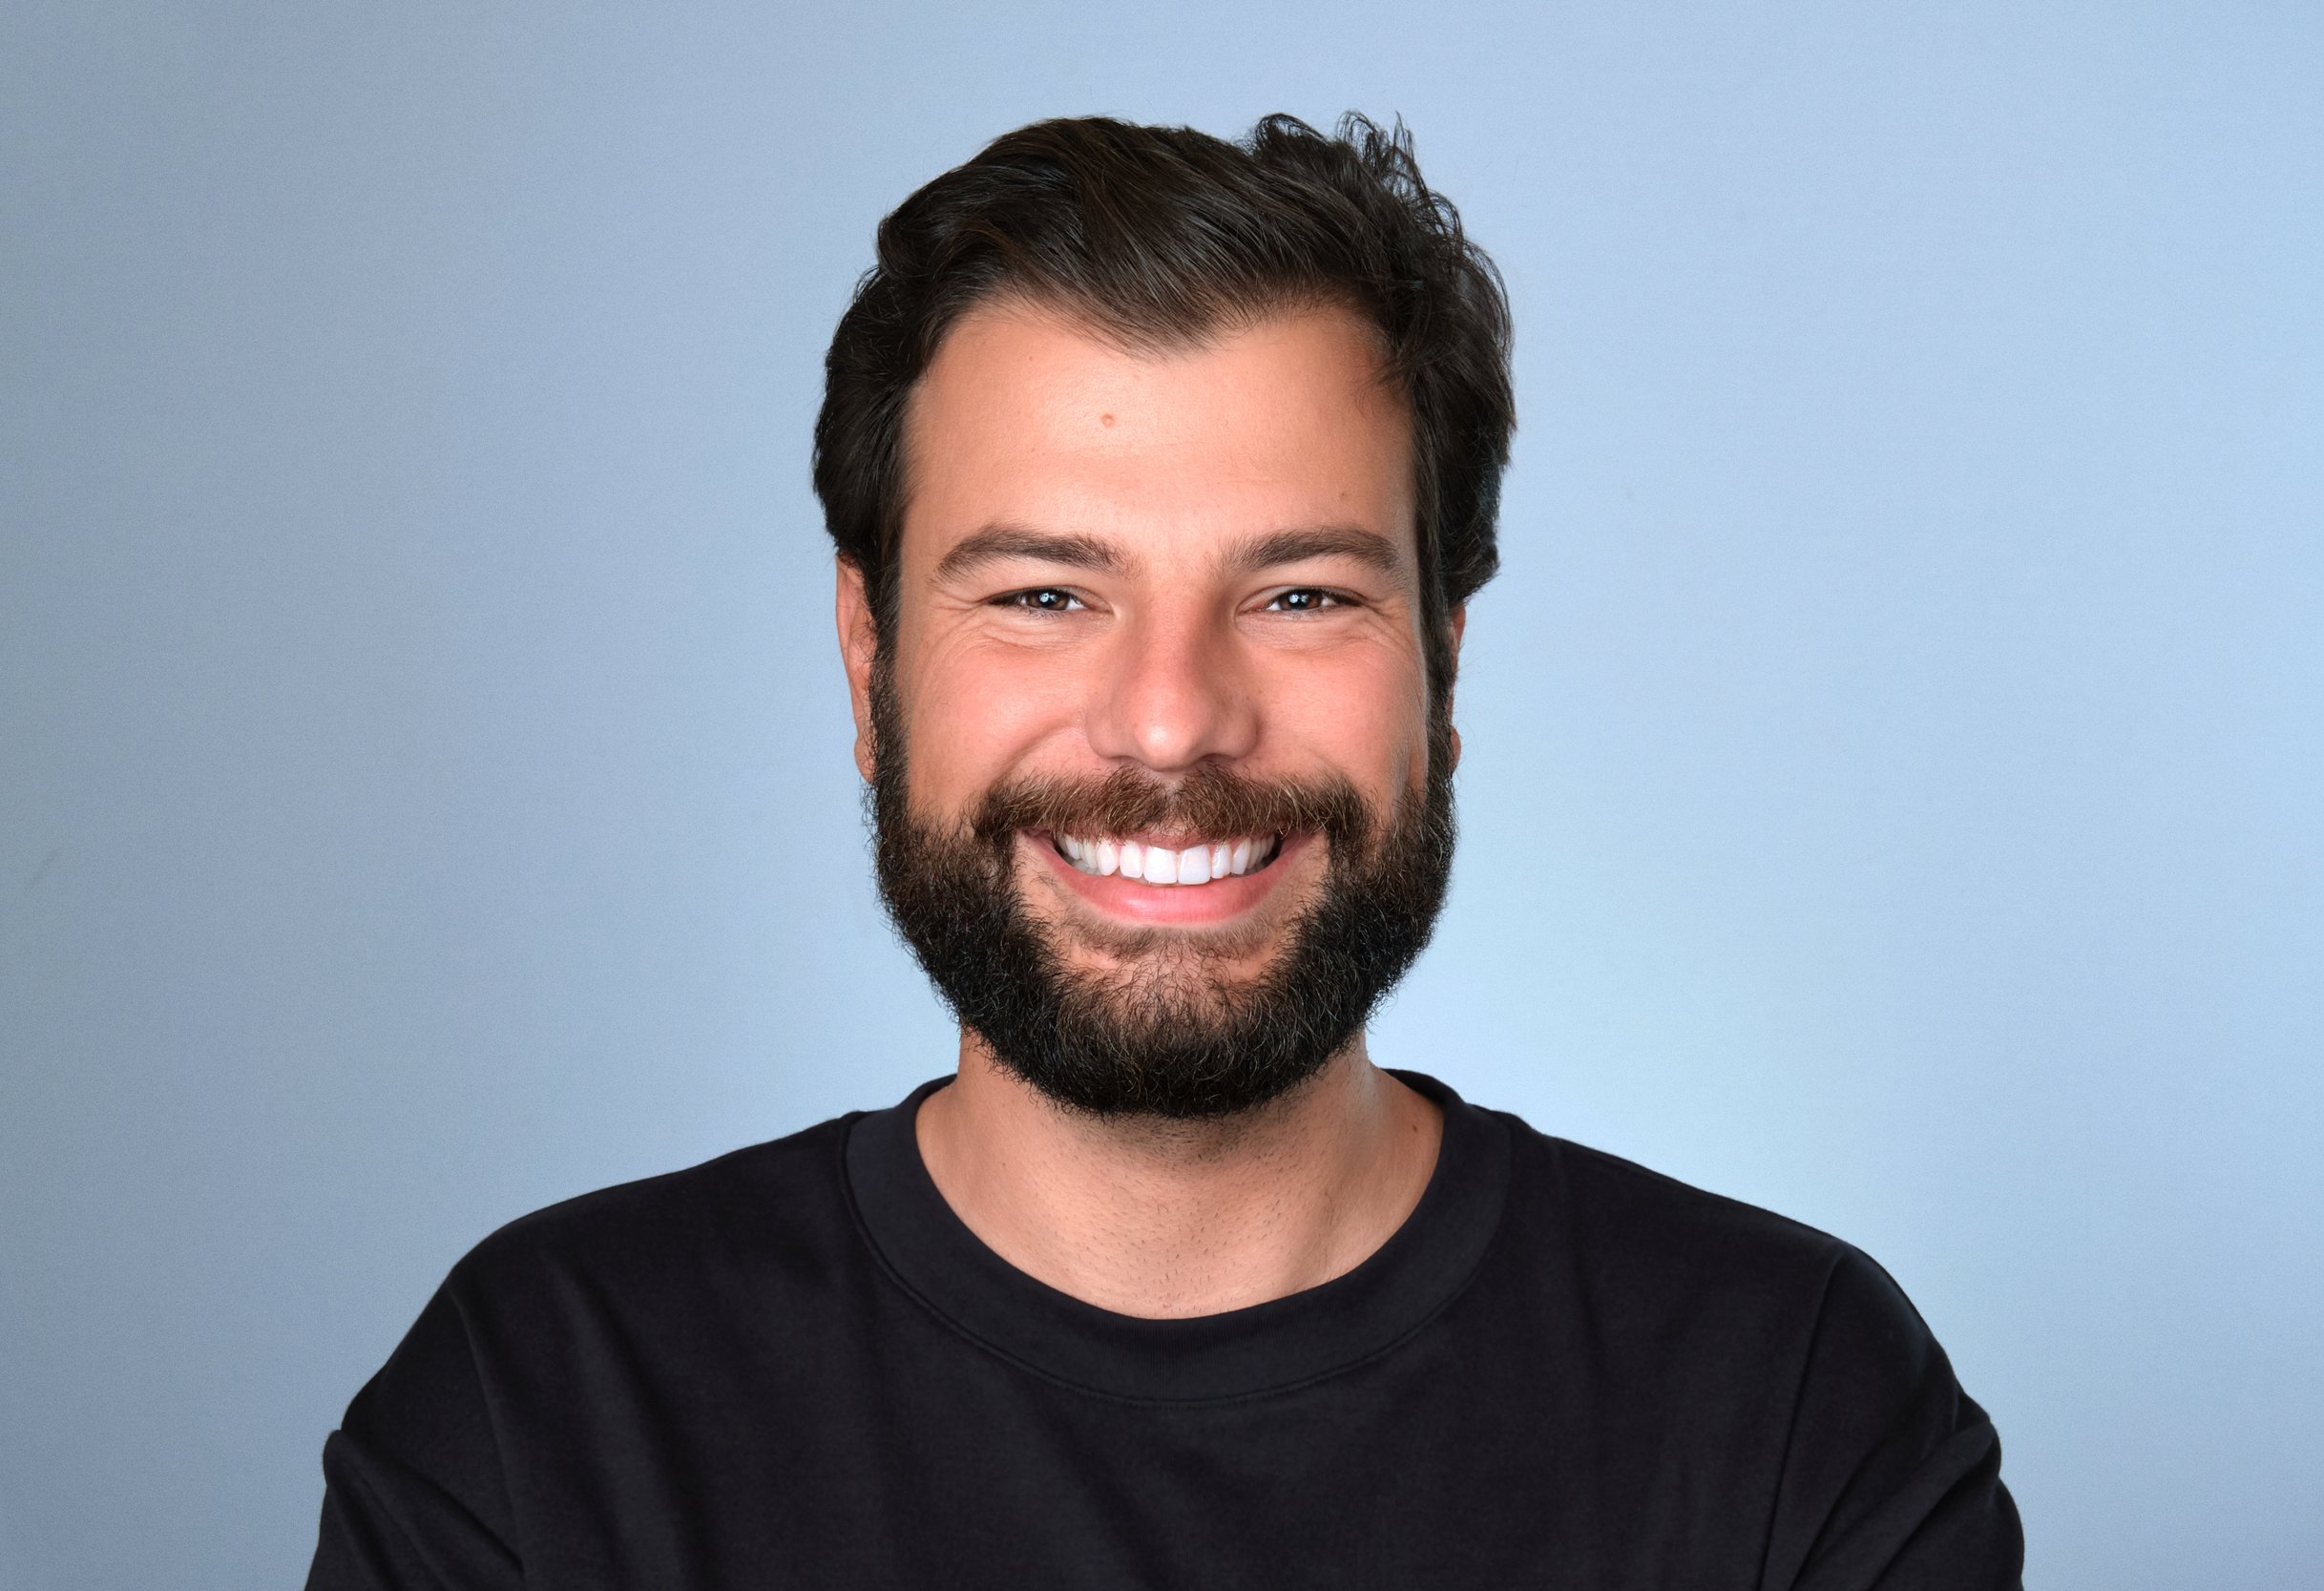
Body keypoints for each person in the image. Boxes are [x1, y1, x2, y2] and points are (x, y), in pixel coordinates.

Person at [305, 113, 2023, 1589]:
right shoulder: (542, 1411)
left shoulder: (1791, 1406)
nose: (1172, 723)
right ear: (868, 660)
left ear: (1441, 670)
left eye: (1301, 596)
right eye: (1047, 595)